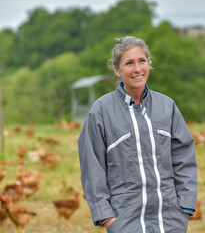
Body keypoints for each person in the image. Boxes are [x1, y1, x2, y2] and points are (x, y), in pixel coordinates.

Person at [78, 36, 197, 233]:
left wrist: (184, 207)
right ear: (117, 70)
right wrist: (108, 218)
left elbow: (184, 157)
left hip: (169, 219)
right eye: (129, 63)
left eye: (142, 61)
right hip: (125, 220)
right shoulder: (101, 111)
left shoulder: (166, 106)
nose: (137, 69)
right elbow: (92, 168)